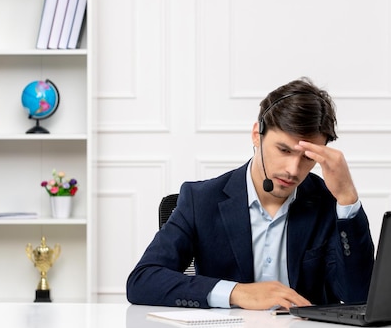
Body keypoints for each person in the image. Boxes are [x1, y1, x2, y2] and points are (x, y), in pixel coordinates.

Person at [126, 77, 375, 310]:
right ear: (257, 134)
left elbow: (358, 296)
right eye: (284, 150)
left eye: (307, 157)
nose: (293, 170)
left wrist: (347, 198)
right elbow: (143, 280)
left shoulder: (328, 203)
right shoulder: (200, 200)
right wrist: (237, 293)